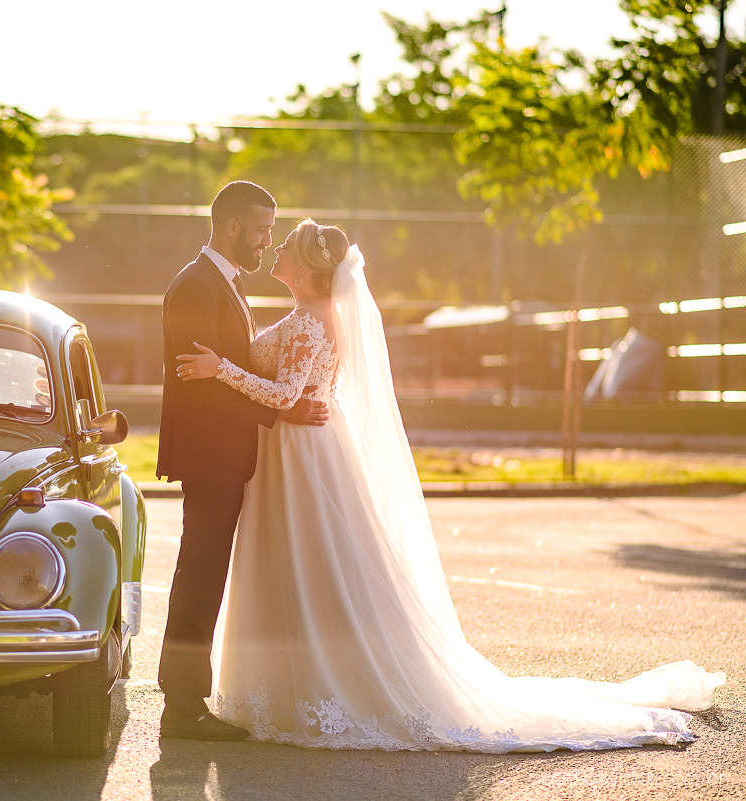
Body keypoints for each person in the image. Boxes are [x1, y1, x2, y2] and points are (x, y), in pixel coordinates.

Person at [176, 219, 725, 752]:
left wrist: (218, 367)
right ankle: (303, 679)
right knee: (313, 565)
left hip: (301, 454)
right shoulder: (318, 316)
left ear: (308, 269)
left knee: (309, 561)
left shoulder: (306, 322)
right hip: (303, 450)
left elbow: (284, 395)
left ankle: (310, 684)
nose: (277, 250)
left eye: (287, 245)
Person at [156, 182, 329, 741]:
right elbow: (196, 383)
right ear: (231, 227)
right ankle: (183, 707)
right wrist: (280, 413)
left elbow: (222, 371)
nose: (266, 242)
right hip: (209, 455)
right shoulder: (195, 286)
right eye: (260, 230)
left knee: (205, 574)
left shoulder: (222, 285)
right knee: (200, 573)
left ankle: (184, 702)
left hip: (226, 455)